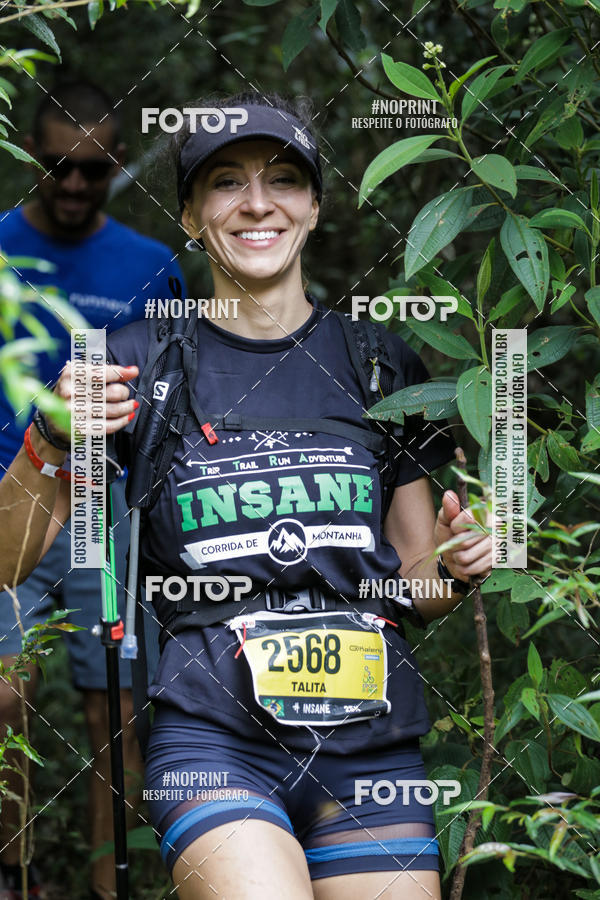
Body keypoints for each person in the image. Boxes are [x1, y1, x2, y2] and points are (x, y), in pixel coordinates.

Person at [0, 91, 492, 899]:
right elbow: (8, 564)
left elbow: (414, 582)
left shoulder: (378, 363)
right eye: (226, 182)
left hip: (372, 752)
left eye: (283, 179)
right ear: (190, 215)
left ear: (314, 207)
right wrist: (51, 438)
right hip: (214, 744)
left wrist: (458, 569)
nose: (257, 203)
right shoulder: (133, 363)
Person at [0, 80, 184, 899]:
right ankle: (16, 875)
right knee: (5, 697)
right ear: (31, 159)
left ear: (118, 163)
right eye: (57, 166)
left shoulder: (151, 266)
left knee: (117, 712)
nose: (74, 184)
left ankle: (112, 884)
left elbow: (174, 393)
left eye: (94, 169)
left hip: (106, 512)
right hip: (12, 497)